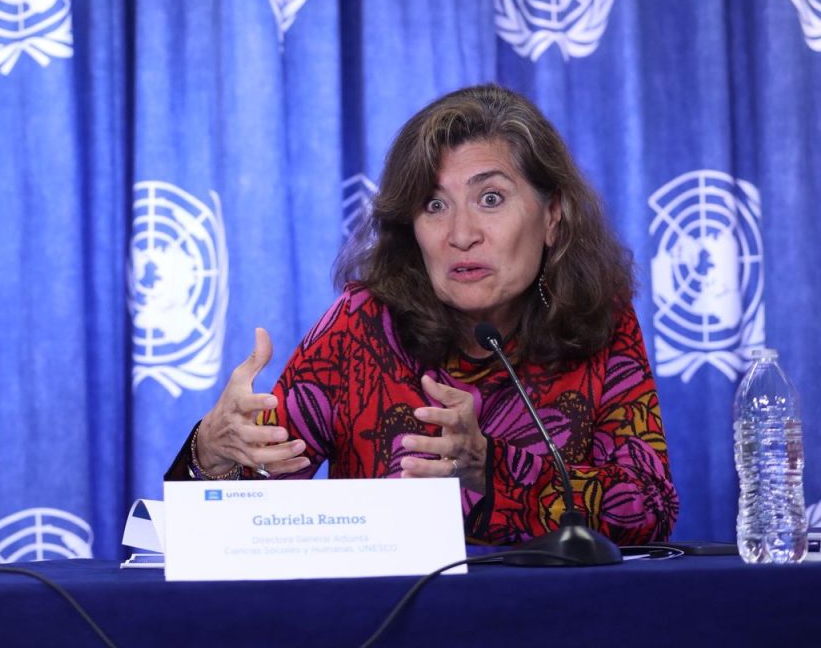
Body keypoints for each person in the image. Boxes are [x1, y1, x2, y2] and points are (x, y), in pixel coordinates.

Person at [168, 84, 679, 545]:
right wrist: (210, 454)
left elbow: (650, 508)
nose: (460, 234)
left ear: (551, 215)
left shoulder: (598, 321)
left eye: (491, 198)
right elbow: (239, 519)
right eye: (434, 206)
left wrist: (492, 468)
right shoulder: (363, 325)